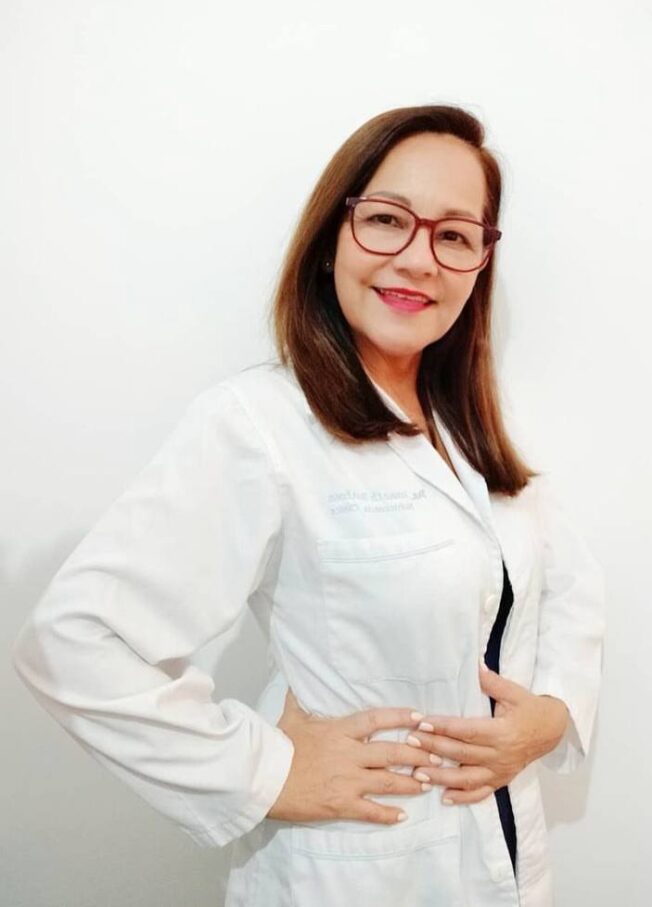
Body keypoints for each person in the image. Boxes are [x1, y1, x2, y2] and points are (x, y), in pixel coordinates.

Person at [12, 104, 605, 906]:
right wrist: (267, 770)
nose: (419, 258)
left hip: (510, 862)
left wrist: (552, 714)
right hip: (353, 868)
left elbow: (564, 584)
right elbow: (74, 639)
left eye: (455, 235)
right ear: (332, 238)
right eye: (387, 219)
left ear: (479, 264)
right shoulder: (258, 426)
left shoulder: (470, 427)